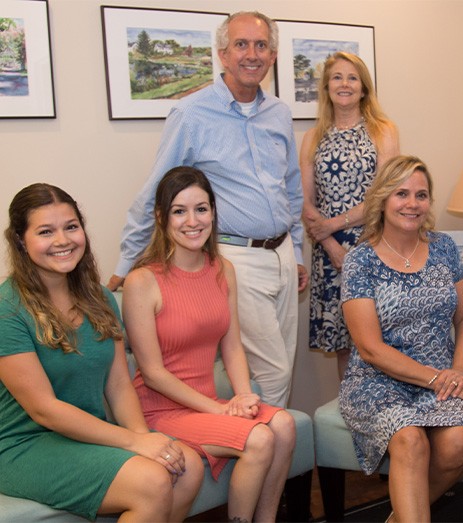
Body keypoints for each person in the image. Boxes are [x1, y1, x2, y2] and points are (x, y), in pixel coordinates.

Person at [108, 11, 308, 407]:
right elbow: (156, 192)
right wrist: (125, 264)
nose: (251, 54)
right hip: (236, 257)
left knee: (283, 361)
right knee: (273, 370)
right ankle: (263, 446)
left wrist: (297, 250)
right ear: (222, 54)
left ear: (272, 55)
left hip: (283, 253)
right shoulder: (192, 113)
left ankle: (268, 451)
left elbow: (290, 187)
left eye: (261, 45)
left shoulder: (279, 113)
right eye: (241, 44)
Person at [0, 183, 203, 522]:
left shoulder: (100, 298)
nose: (63, 240)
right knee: (153, 480)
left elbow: (119, 386)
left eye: (71, 227)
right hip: (24, 445)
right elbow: (46, 411)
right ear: (20, 240)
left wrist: (143, 437)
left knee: (189, 467)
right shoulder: (8, 311)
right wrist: (134, 443)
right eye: (46, 231)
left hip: (88, 434)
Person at [122, 166, 296, 523]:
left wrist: (244, 396)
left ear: (213, 213)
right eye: (179, 211)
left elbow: (232, 346)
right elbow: (153, 374)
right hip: (160, 411)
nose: (192, 221)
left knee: (285, 424)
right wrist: (218, 410)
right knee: (259, 439)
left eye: (201, 209)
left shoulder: (222, 269)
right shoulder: (142, 281)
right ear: (161, 217)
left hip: (206, 404)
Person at [339, 155, 463, 522]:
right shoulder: (360, 261)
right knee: (409, 438)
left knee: (460, 441)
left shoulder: (445, 247)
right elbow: (370, 348)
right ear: (383, 199)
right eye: (401, 193)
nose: (412, 203)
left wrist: (459, 371)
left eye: (421, 194)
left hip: (440, 381)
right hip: (377, 382)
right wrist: (437, 378)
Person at [299, 51, 400, 379]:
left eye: (352, 77)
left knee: (378, 337)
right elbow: (304, 200)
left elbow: (384, 193)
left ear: (363, 87)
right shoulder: (312, 137)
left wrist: (335, 225)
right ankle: (350, 409)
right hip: (329, 252)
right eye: (337, 78)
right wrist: (330, 243)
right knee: (343, 340)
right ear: (327, 88)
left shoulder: (382, 130)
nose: (345, 84)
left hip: (373, 244)